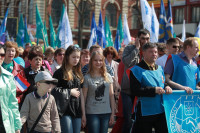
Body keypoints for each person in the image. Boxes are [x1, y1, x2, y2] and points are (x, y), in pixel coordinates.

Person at [130, 43, 172, 133]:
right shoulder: (136, 70)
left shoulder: (160, 68)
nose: (154, 54)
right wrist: (154, 90)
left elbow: (163, 84)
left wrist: (167, 87)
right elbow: (135, 90)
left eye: (156, 52)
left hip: (161, 110)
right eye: (151, 52)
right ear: (143, 53)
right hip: (145, 112)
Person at [120, 29, 150, 133]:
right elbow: (127, 62)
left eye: (147, 39)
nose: (145, 41)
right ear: (138, 39)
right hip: (128, 90)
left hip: (142, 90)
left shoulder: (150, 51)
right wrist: (137, 48)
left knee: (141, 119)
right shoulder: (129, 48)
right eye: (143, 39)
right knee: (128, 119)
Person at [53, 45, 85, 133]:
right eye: (73, 57)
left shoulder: (78, 73)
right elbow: (53, 91)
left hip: (77, 109)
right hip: (64, 110)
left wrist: (83, 113)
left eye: (78, 57)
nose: (76, 59)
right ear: (67, 57)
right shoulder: (59, 73)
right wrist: (69, 91)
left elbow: (81, 93)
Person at [82, 51, 115, 133]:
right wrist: (83, 114)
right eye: (95, 60)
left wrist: (113, 113)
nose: (98, 62)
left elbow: (111, 95)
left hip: (106, 112)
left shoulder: (108, 76)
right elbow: (83, 97)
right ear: (91, 61)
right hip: (92, 113)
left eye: (100, 60)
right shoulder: (87, 77)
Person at [0, 44, 22, 133]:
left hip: (4, 123)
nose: (1, 57)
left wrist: (17, 126)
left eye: (2, 54)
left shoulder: (8, 76)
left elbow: (12, 103)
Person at [103, 46, 120, 111]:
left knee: (114, 107)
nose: (110, 55)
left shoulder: (117, 64)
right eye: (108, 53)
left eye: (111, 53)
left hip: (114, 89)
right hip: (105, 88)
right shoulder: (102, 64)